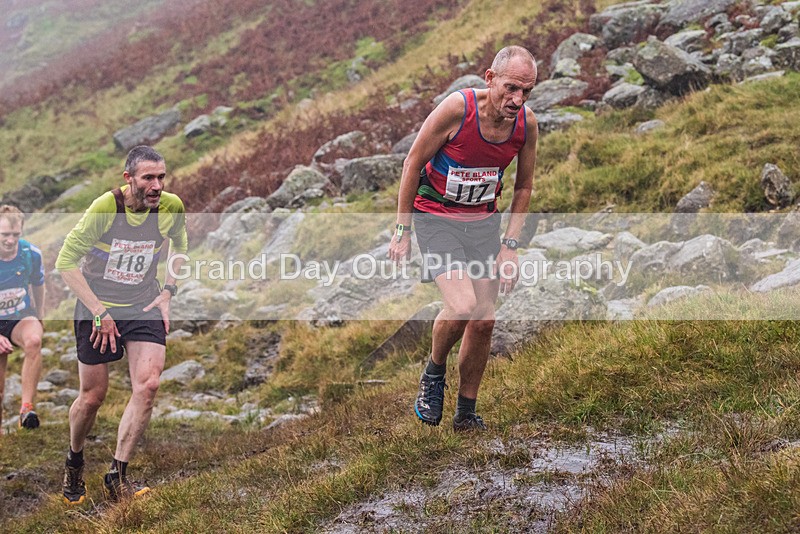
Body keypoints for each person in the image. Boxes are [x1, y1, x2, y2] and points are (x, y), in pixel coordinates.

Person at [388, 46, 538, 432]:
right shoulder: (458, 109)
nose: (517, 99)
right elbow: (412, 163)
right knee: (462, 305)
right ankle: (434, 374)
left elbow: (523, 188)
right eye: (510, 88)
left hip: (483, 223)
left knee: (485, 320)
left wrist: (511, 246)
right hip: (437, 219)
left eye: (526, 91)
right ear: (489, 78)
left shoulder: (526, 125)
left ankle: (466, 414)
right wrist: (402, 230)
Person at [56, 146, 188, 504]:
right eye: (148, 177)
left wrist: (168, 292)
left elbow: (179, 246)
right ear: (128, 179)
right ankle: (74, 458)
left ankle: (118, 474)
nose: (157, 185)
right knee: (92, 397)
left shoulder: (171, 207)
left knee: (149, 385)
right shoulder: (106, 207)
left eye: (161, 176)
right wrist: (99, 310)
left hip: (143, 303)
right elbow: (66, 261)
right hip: (96, 305)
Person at [0, 205, 46, 433]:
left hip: (19, 317)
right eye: (4, 235)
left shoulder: (30, 254)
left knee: (34, 340)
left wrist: (39, 316)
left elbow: (38, 285)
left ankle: (26, 409)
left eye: (15, 235)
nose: (10, 240)